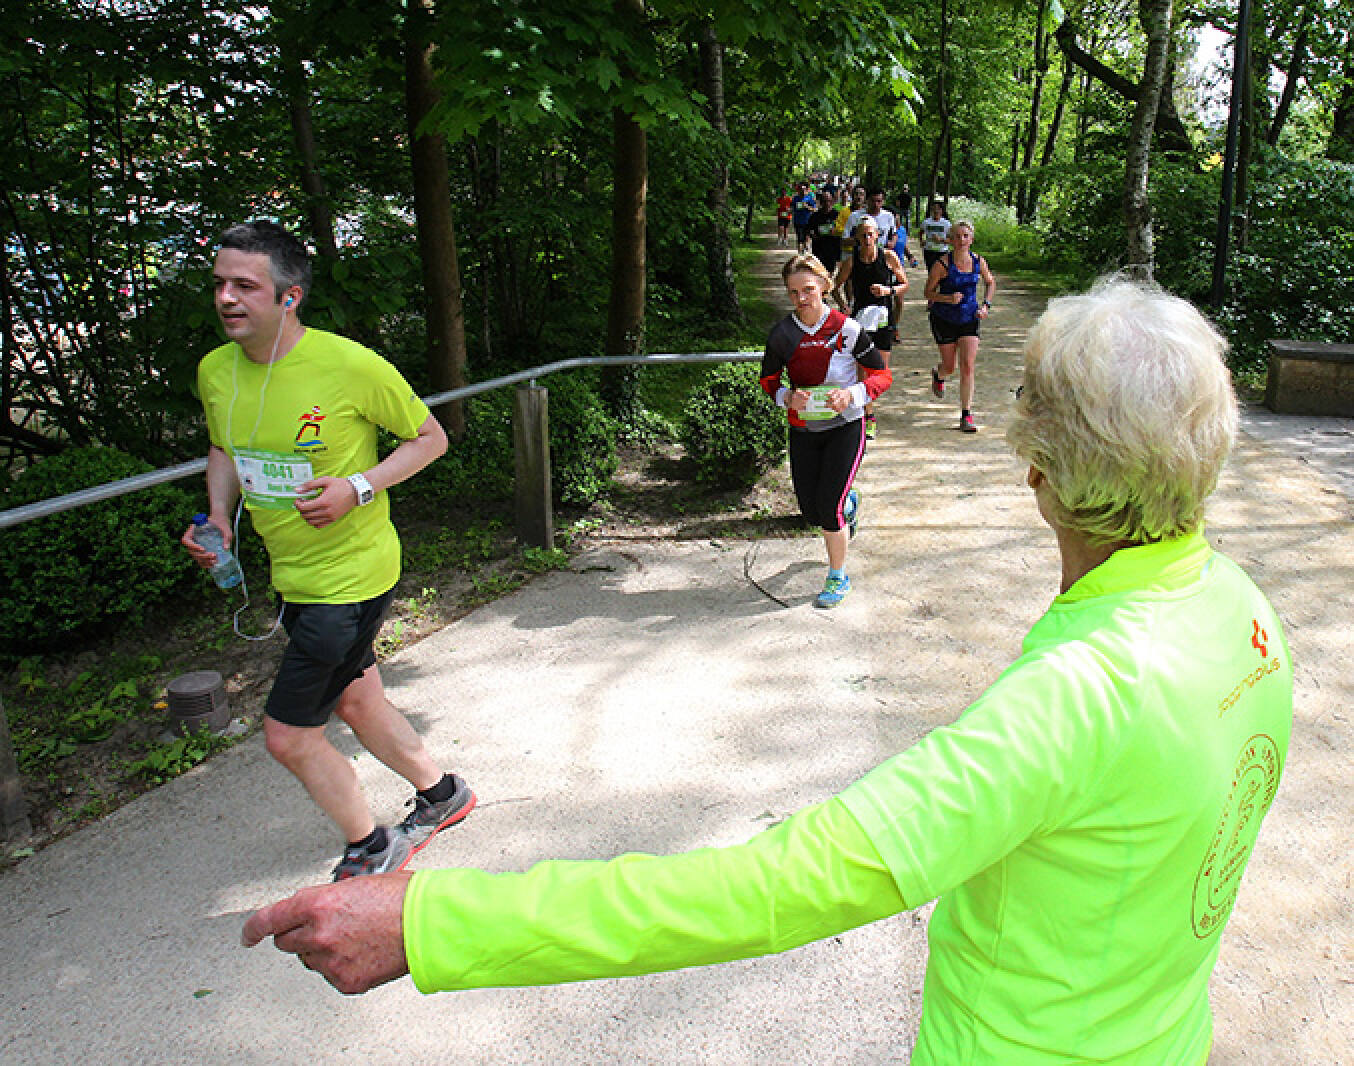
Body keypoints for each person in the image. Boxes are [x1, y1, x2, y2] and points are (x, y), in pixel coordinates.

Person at [243, 279, 1292, 1066]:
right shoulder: (1242, 613)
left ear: (1039, 473)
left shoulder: (1072, 700)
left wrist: (434, 923)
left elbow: (770, 887)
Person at [182, 221, 475, 881]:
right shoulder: (216, 371)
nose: (226, 297)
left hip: (351, 580)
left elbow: (430, 438)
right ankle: (443, 795)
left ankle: (372, 845)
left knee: (289, 736)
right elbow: (224, 448)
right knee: (359, 700)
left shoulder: (349, 365)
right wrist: (219, 516)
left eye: (244, 286)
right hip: (292, 574)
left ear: (289, 297)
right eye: (220, 283)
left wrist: (358, 487)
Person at [832, 217, 906, 441]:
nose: (867, 239)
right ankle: (868, 416)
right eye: (863, 235)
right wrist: (844, 306)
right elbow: (835, 286)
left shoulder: (888, 257)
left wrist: (887, 291)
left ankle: (866, 405)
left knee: (880, 371)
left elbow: (904, 284)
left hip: (883, 319)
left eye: (870, 234)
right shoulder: (851, 261)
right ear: (857, 237)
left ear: (877, 235)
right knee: (862, 368)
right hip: (860, 320)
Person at [925, 219, 996, 433]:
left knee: (967, 366)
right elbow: (928, 293)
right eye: (957, 236)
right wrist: (947, 298)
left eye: (965, 236)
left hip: (969, 318)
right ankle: (939, 375)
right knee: (950, 367)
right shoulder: (942, 265)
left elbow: (990, 282)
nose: (961, 240)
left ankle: (966, 414)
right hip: (944, 319)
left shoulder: (978, 261)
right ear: (951, 240)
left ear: (971, 239)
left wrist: (986, 305)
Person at [919, 200, 951, 271]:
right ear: (931, 211)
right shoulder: (926, 222)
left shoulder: (947, 223)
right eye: (934, 209)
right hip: (929, 250)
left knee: (942, 271)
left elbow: (950, 240)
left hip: (942, 251)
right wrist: (922, 240)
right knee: (931, 271)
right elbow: (921, 232)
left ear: (942, 211)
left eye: (938, 209)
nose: (936, 211)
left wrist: (941, 240)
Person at [790, 182, 817, 254]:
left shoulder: (809, 198)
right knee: (800, 238)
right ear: (798, 190)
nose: (803, 191)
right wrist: (790, 210)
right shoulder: (795, 198)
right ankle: (800, 254)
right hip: (797, 221)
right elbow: (792, 208)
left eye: (804, 189)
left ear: (806, 190)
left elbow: (814, 209)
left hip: (807, 221)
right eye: (801, 189)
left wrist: (806, 206)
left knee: (806, 238)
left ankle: (806, 251)